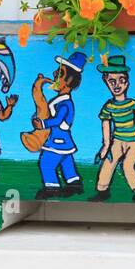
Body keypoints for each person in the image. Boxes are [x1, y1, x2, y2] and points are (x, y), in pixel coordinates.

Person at [91, 54, 135, 203]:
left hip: (133, 141)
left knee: (127, 165)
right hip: (117, 141)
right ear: (106, 82)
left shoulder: (133, 105)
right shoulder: (108, 107)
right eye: (112, 81)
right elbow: (106, 127)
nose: (117, 85)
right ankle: (102, 190)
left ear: (127, 83)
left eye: (121, 81)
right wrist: (105, 147)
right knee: (109, 163)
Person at [31, 52, 87, 199]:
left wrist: (43, 124)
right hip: (63, 139)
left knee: (46, 163)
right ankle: (74, 184)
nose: (55, 73)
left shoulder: (65, 103)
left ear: (69, 81)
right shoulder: (61, 100)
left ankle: (52, 188)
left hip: (58, 139)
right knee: (66, 162)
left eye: (60, 73)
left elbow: (57, 120)